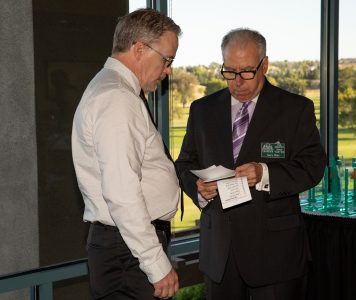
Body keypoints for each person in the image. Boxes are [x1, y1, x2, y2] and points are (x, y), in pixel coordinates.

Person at [176, 28, 327, 300]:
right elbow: (184, 163)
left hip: (275, 254)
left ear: (264, 65)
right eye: (230, 71)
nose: (237, 82)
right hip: (219, 254)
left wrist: (265, 173)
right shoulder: (202, 110)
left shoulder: (295, 109)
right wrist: (197, 188)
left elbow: (313, 165)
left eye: (247, 71)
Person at [72, 8, 181, 300]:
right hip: (127, 253)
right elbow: (121, 192)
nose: (168, 69)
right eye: (167, 59)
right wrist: (156, 264)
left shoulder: (112, 89)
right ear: (140, 48)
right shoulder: (118, 97)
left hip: (124, 247)